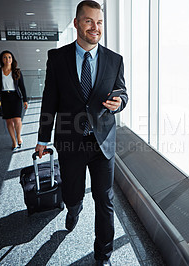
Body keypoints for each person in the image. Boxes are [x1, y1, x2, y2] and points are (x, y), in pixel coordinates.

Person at [35, 1, 128, 265]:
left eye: (99, 22)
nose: (95, 27)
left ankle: (103, 254)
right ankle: (74, 209)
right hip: (70, 142)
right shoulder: (58, 58)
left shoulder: (114, 60)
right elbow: (49, 99)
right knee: (72, 194)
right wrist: (42, 138)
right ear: (76, 23)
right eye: (89, 21)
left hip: (102, 143)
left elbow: (122, 92)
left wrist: (120, 102)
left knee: (105, 199)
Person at [0, 50, 28, 151]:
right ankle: (14, 142)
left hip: (15, 97)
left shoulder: (17, 71)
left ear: (12, 59)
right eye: (5, 57)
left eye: (9, 57)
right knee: (8, 121)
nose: (7, 59)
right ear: (2, 60)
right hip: (4, 97)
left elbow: (22, 87)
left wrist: (25, 100)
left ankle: (19, 137)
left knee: (17, 119)